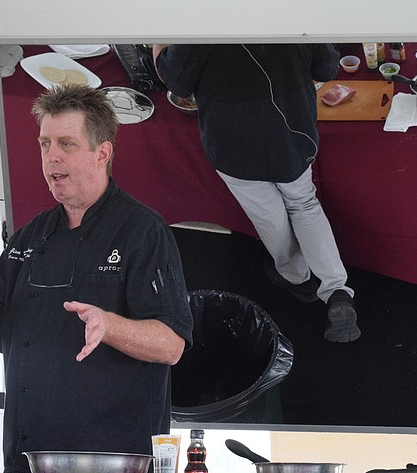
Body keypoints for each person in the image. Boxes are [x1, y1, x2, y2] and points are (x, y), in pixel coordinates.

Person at [0, 83, 194, 473]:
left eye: (66, 144)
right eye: (44, 144)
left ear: (102, 153)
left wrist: (109, 325)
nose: (51, 157)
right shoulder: (30, 236)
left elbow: (171, 344)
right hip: (30, 467)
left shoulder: (142, 231)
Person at [154, 43, 360, 342]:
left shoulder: (199, 21)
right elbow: (326, 67)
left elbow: (178, 83)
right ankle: (337, 290)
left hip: (233, 143)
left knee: (269, 216)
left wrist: (160, 46)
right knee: (304, 205)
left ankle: (296, 277)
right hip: (292, 134)